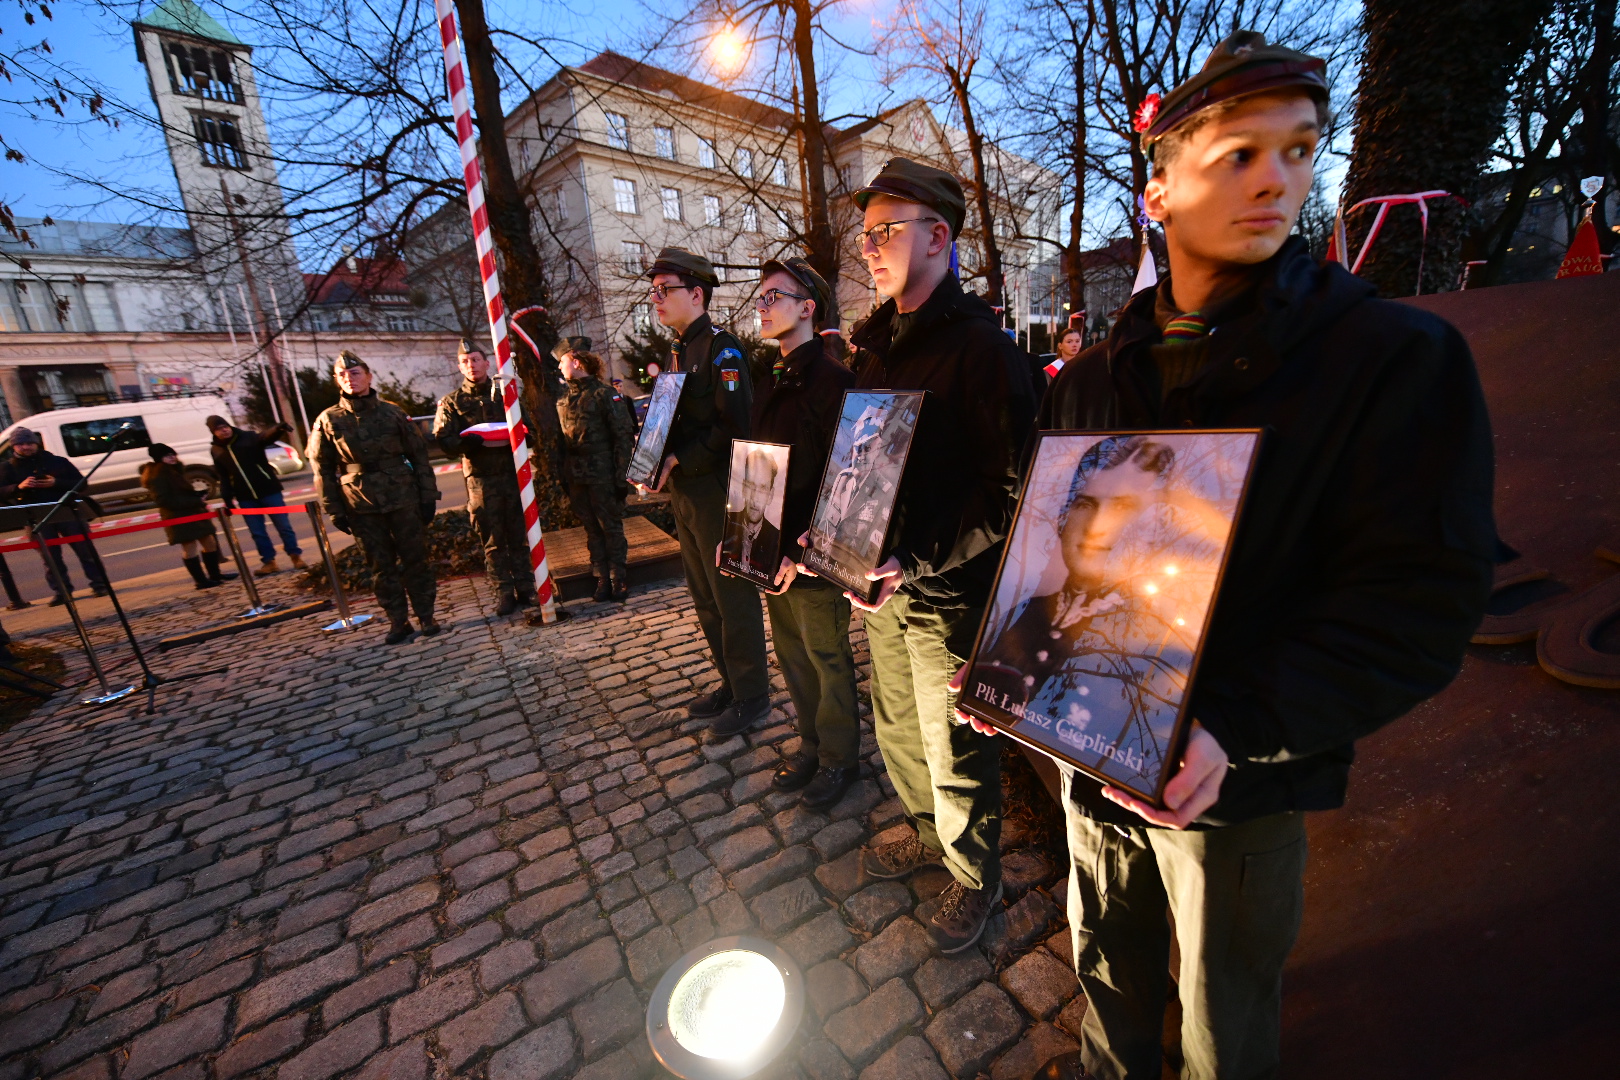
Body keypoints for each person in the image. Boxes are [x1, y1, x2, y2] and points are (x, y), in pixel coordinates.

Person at [963, 32, 1496, 1080]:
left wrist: (1238, 727)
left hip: (1232, 791)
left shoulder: (1387, 359)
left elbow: (1420, 602)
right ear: (1158, 189)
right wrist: (1006, 661)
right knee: (1107, 959)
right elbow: (1052, 547)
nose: (1278, 182)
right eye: (1239, 155)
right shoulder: (1093, 379)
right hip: (1090, 751)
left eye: (1299, 151)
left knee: (1223, 1009)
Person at [834, 158, 1037, 954]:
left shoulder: (983, 351)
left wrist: (915, 559)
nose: (870, 249)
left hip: (945, 590)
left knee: (952, 743)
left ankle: (973, 871)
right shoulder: (876, 347)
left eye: (886, 231)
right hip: (881, 584)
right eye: (865, 236)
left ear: (940, 237)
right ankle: (927, 831)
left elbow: (1010, 492)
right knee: (897, 728)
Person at [634, 247, 771, 737]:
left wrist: (679, 457)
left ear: (697, 294)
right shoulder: (676, 350)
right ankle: (732, 684)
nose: (655, 298)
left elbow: (733, 426)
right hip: (686, 492)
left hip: (716, 489)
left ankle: (753, 694)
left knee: (731, 595)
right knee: (704, 597)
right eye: (653, 290)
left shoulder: (721, 349)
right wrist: (652, 452)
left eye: (664, 289)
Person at [745, 256, 861, 808]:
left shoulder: (835, 381)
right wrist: (740, 530)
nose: (762, 308)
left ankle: (840, 760)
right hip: (770, 547)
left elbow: (844, 477)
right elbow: (759, 467)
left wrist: (799, 549)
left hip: (812, 552)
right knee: (791, 653)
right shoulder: (772, 379)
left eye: (774, 297)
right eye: (760, 298)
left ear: (807, 308)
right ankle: (813, 746)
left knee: (826, 655)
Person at [308, 350, 442, 644]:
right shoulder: (327, 420)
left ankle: (427, 615)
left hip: (403, 498)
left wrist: (427, 495)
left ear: (368, 376)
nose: (350, 379)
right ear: (336, 380)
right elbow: (322, 469)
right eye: (343, 375)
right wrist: (334, 509)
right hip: (361, 503)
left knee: (415, 559)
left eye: (355, 373)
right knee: (380, 566)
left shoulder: (392, 413)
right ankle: (398, 621)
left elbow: (419, 456)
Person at [432, 340, 541, 615]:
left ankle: (527, 587)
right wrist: (468, 444)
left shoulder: (506, 396)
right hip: (480, 481)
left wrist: (523, 436)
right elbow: (443, 442)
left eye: (476, 359)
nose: (471, 365)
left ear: (487, 362)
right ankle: (504, 591)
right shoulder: (452, 402)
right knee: (492, 541)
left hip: (512, 475)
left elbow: (531, 432)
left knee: (519, 536)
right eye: (465, 361)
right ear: (460, 366)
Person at [554, 347, 636, 602]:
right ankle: (601, 577)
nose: (559, 367)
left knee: (610, 527)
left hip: (603, 474)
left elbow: (622, 437)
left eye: (562, 362)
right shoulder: (563, 399)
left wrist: (622, 477)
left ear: (576, 362)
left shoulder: (604, 394)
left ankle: (618, 578)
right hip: (577, 476)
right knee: (591, 529)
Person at [0, 426, 110, 604]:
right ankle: (62, 592)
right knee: (50, 558)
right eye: (21, 444)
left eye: (29, 443)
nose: (26, 447)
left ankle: (100, 585)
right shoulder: (7, 468)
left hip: (67, 511)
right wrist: (19, 487)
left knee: (86, 551)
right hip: (35, 517)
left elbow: (81, 484)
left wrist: (56, 482)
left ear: (37, 444)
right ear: (13, 446)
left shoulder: (57, 461)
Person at [207, 415, 306, 576]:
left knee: (284, 526)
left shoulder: (248, 437)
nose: (224, 430)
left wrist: (278, 429)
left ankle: (295, 556)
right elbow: (223, 476)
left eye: (225, 426)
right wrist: (227, 498)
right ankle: (269, 562)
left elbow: (265, 437)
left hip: (269, 490)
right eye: (218, 429)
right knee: (257, 532)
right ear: (213, 432)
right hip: (245, 497)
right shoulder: (216, 450)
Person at [139, 443, 237, 590]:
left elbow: (180, 492)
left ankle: (215, 574)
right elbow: (163, 500)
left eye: (173, 454)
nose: (172, 457)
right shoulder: (158, 475)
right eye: (167, 456)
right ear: (159, 459)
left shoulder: (174, 470)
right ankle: (201, 581)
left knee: (210, 543)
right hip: (178, 516)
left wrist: (196, 495)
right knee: (190, 547)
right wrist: (195, 500)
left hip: (193, 513)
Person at [720, 446, 782, 579]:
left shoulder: (776, 540)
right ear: (743, 488)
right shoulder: (726, 527)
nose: (755, 498)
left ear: (770, 495)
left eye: (763, 488)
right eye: (750, 486)